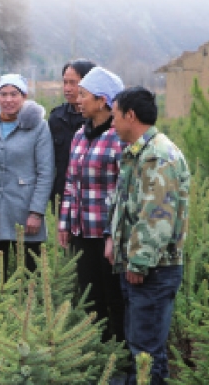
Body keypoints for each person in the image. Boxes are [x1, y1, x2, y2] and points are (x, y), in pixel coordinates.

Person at [105, 86, 190, 385]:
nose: (111, 121)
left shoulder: (157, 156)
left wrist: (139, 262)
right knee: (144, 349)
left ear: (130, 115)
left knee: (146, 353)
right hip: (139, 266)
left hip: (153, 270)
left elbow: (156, 216)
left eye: (114, 114)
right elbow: (127, 204)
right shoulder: (138, 153)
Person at [57, 67, 125, 344]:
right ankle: (96, 351)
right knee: (88, 295)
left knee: (115, 296)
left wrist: (113, 233)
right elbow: (71, 182)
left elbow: (124, 190)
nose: (78, 100)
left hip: (107, 235)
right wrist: (64, 222)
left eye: (83, 95)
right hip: (81, 231)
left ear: (102, 100)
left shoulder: (118, 137)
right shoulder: (79, 135)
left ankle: (121, 353)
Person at [0, 74, 54, 280]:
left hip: (25, 211)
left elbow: (45, 172)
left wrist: (36, 212)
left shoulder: (38, 127)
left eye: (14, 94)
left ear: (24, 96)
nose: (8, 100)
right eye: (3, 94)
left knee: (29, 274)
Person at [48, 59, 96, 211]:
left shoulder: (97, 118)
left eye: (73, 83)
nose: (67, 88)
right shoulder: (57, 118)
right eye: (65, 82)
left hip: (92, 197)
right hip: (63, 196)